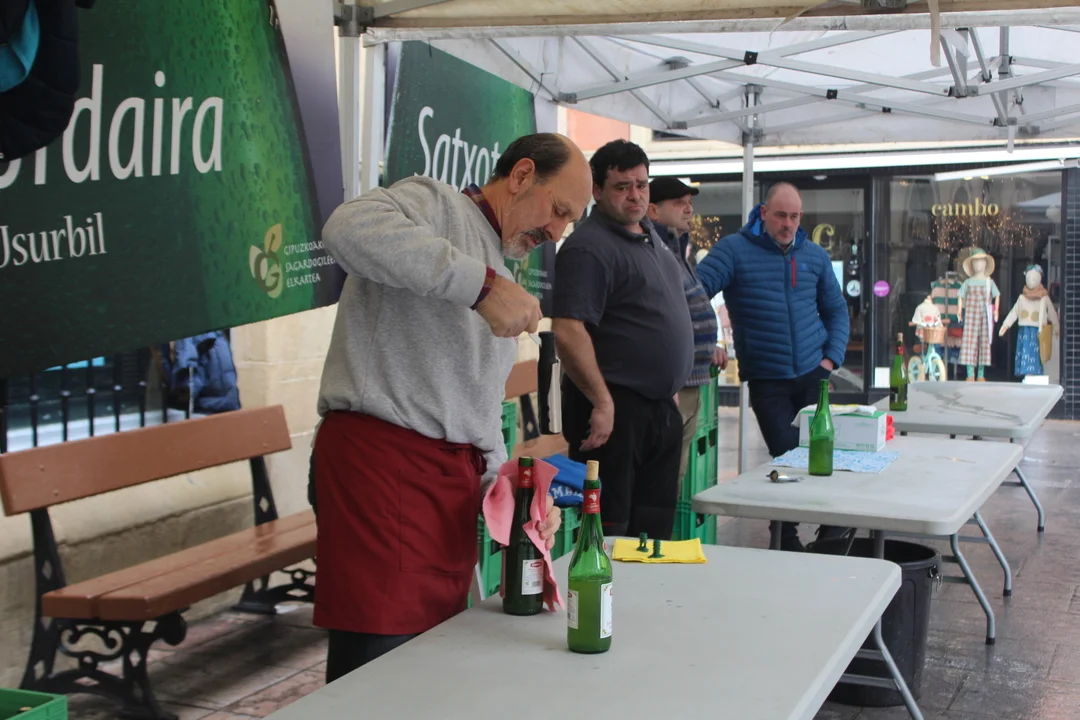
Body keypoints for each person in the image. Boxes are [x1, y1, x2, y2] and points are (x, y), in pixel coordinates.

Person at [312, 133, 592, 682]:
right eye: (558, 210)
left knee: (432, 654)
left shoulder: (502, 263)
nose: (557, 232)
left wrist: (507, 488)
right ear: (521, 176)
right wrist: (482, 286)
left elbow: (475, 399)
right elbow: (345, 228)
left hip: (445, 484)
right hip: (382, 465)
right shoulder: (438, 204)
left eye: (569, 222)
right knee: (378, 661)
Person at [695, 182, 850, 552]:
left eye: (794, 216)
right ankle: (786, 533)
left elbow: (836, 309)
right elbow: (694, 293)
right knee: (786, 453)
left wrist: (830, 359)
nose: (788, 224)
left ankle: (827, 528)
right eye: (781, 215)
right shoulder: (734, 250)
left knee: (819, 454)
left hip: (814, 373)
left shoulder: (814, 256)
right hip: (766, 377)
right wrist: (709, 342)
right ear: (763, 213)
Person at [551, 139, 693, 540]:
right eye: (622, 186)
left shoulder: (650, 235)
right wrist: (602, 401)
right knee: (613, 531)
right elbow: (568, 329)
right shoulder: (588, 247)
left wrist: (666, 385)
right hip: (613, 411)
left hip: (657, 407)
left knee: (655, 530)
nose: (635, 195)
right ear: (597, 191)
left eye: (642, 185)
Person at [646, 176, 726, 495]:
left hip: (692, 379)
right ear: (653, 210)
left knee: (674, 474)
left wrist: (709, 345)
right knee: (664, 476)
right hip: (674, 386)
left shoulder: (678, 249)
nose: (689, 209)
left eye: (690, 202)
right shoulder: (655, 250)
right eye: (679, 203)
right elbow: (658, 319)